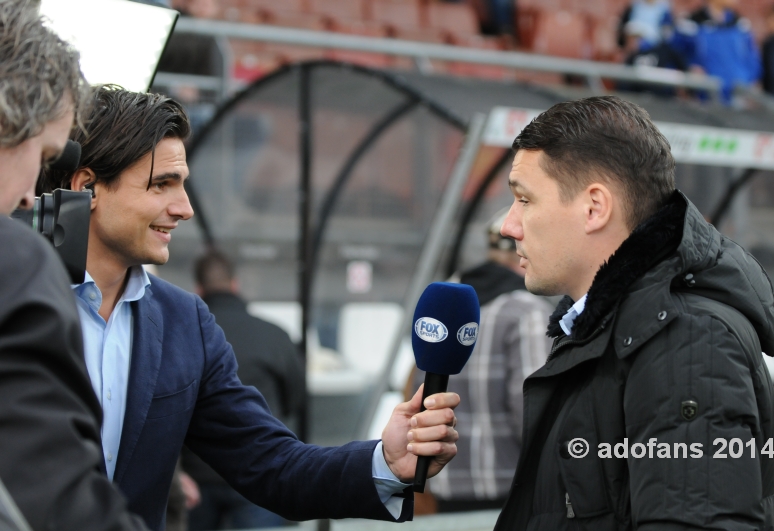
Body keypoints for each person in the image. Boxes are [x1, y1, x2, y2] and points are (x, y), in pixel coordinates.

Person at [43, 84, 460, 531]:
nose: (184, 209)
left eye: (182, 185)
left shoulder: (186, 323)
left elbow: (274, 465)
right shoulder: (16, 300)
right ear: (87, 187)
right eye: (162, 185)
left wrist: (385, 461)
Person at [493, 96, 774, 530]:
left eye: (525, 200)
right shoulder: (614, 329)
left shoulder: (687, 342)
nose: (508, 225)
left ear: (595, 207)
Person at [0, 1, 149, 530]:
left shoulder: (184, 321)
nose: (28, 197)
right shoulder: (16, 261)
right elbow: (53, 504)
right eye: (42, 159)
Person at [413, 208, 552, 512]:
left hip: (442, 489)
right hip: (508, 493)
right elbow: (533, 416)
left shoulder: (445, 306)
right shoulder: (526, 313)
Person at [184, 249, 305, 530]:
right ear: (235, 285)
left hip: (195, 476)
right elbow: (295, 397)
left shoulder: (183, 333)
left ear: (198, 289)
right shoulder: (273, 334)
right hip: (259, 472)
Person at [672, 0, 760, 103]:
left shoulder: (741, 25)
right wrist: (688, 69)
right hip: (704, 99)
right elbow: (676, 54)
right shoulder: (691, 23)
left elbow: (752, 59)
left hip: (738, 97)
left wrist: (749, 80)